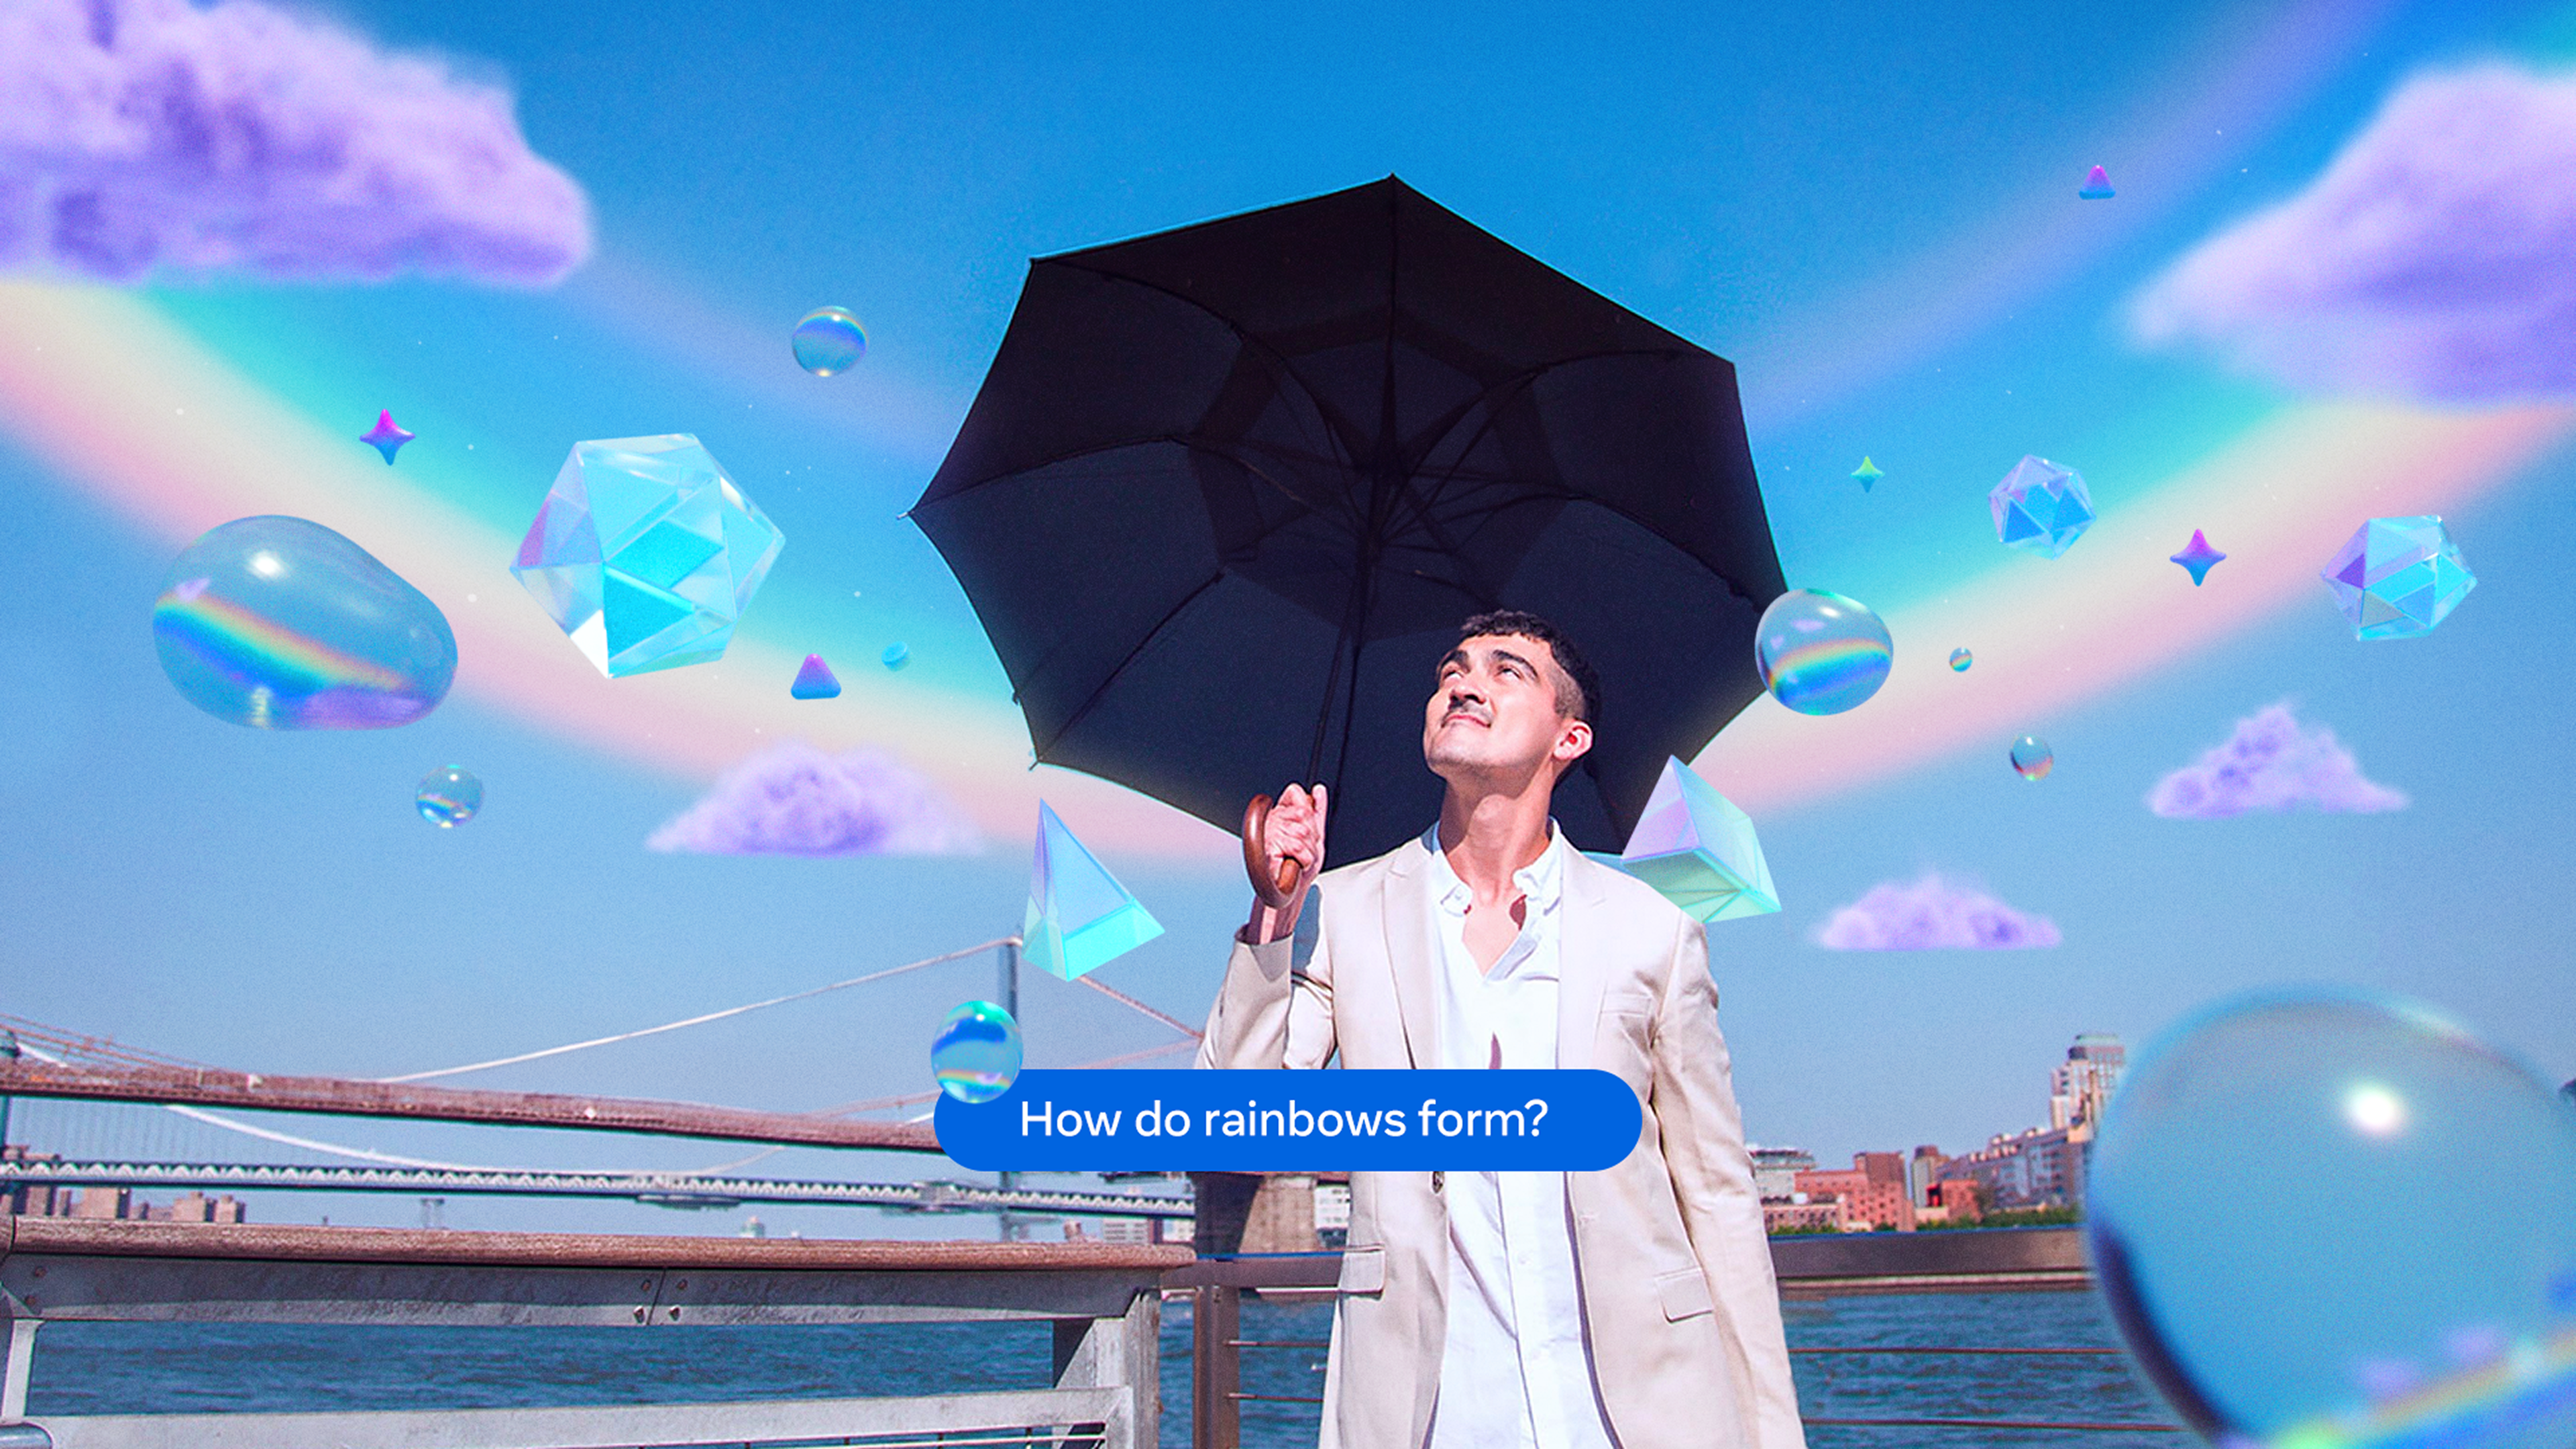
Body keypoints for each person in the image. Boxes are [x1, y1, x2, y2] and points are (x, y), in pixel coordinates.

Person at [1195, 609, 1805, 1449]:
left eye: (1506, 670)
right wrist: (1275, 915)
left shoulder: (1651, 925)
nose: (1464, 682)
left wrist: (1772, 1434)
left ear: (1570, 737)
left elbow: (1718, 1197)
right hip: (1426, 1414)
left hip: (1642, 1416)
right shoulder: (1345, 908)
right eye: (1451, 669)